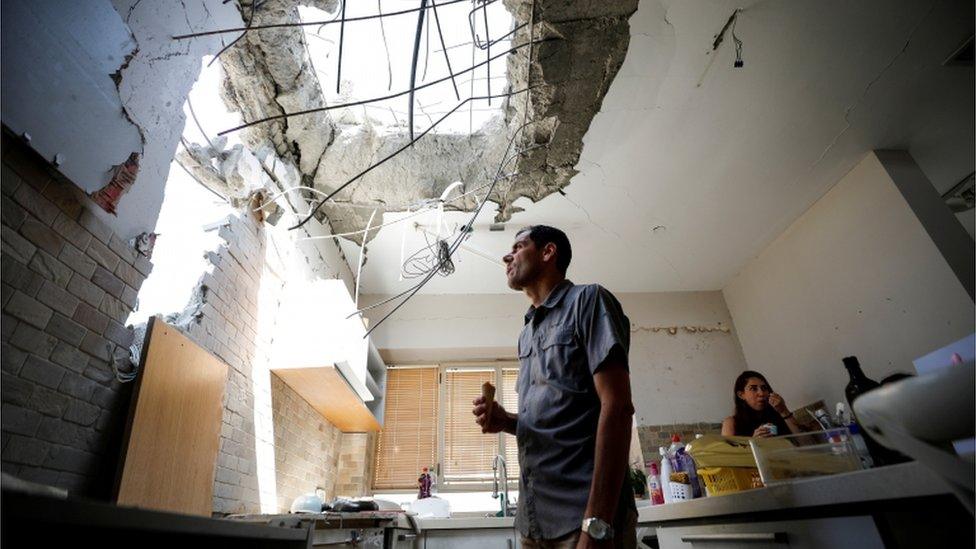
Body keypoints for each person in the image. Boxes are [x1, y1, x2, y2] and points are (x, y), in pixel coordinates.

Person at [472, 225, 637, 549]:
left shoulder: (588, 301)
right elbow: (559, 419)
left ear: (548, 252)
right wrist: (507, 421)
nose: (507, 255)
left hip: (583, 518)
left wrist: (597, 523)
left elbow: (617, 407)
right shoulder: (527, 333)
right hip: (533, 522)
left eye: (518, 246)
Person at [721, 370, 804, 438]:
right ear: (741, 395)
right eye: (753, 389)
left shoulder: (778, 414)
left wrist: (784, 411)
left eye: (764, 388)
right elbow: (729, 457)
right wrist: (754, 442)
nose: (761, 393)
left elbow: (806, 443)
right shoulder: (731, 423)